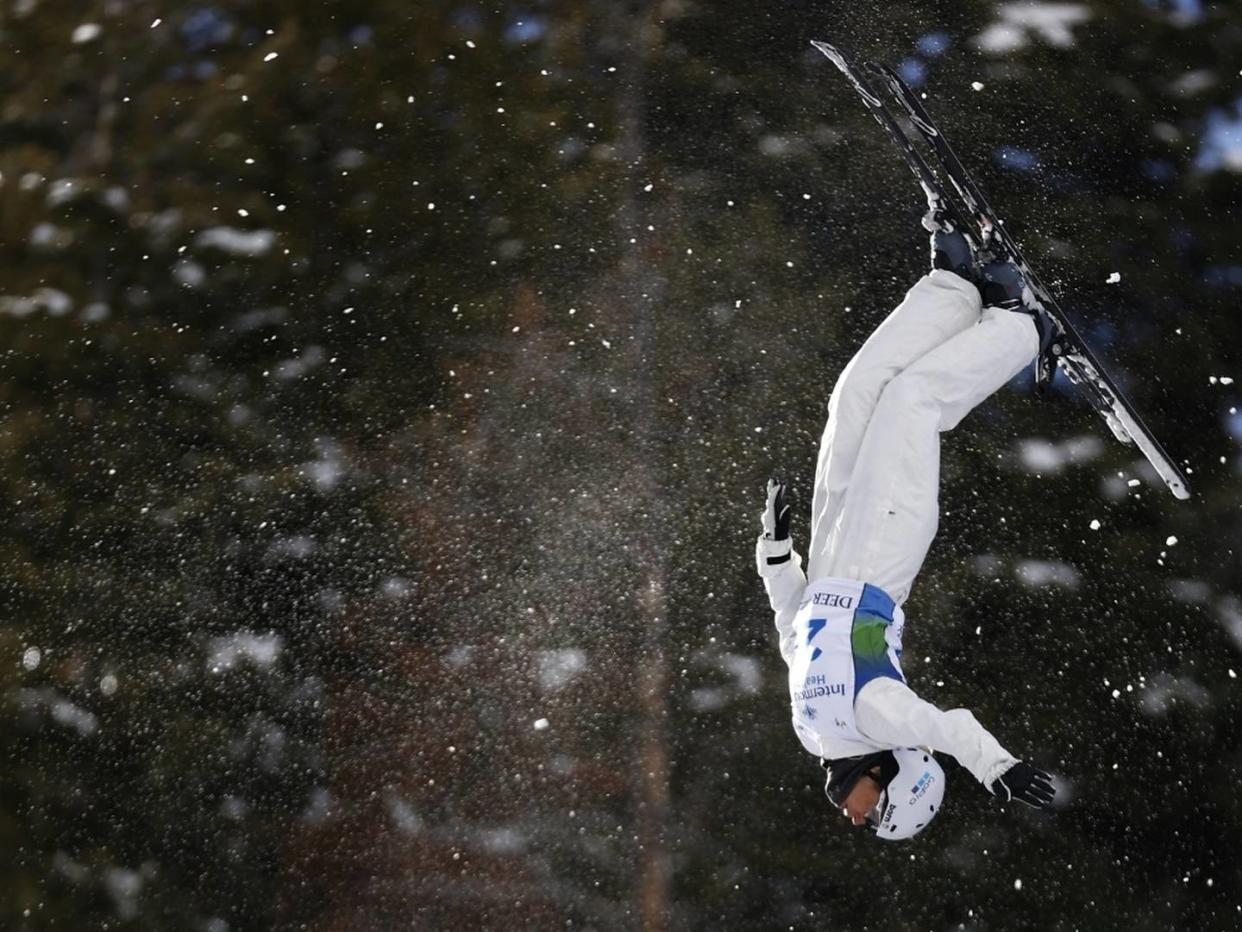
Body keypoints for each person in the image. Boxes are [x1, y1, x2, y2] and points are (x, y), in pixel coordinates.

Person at [756, 211, 1058, 840]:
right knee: (911, 403)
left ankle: (954, 289)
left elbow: (794, 629)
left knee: (856, 395)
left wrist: (777, 553)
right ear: (898, 776)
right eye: (874, 812)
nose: (852, 812)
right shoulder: (878, 720)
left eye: (864, 818)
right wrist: (997, 767)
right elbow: (947, 728)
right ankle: (1023, 329)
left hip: (832, 548)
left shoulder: (812, 731)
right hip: (881, 556)